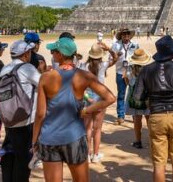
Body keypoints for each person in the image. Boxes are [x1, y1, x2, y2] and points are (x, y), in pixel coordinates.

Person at [32, 37, 116, 182]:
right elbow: (110, 97)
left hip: (50, 137)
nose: (52, 54)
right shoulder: (84, 76)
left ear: (60, 54)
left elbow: (40, 114)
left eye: (54, 51)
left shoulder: (46, 77)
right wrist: (87, 110)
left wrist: (34, 140)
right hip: (74, 136)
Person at [133, 35, 173, 182]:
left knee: (159, 163)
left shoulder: (146, 70)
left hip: (156, 115)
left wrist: (150, 95)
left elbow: (137, 97)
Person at [0, 40, 40, 182]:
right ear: (25, 54)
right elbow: (42, 84)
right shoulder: (27, 68)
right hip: (25, 120)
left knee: (9, 155)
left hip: (9, 119)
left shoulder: (5, 69)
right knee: (23, 159)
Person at [82, 43, 117, 163]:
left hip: (87, 98)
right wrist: (109, 49)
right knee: (97, 129)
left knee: (87, 128)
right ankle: (95, 154)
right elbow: (115, 58)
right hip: (101, 99)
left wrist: (86, 97)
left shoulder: (84, 66)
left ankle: (87, 154)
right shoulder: (103, 65)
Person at [112, 28, 139, 125]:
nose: (126, 37)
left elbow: (139, 58)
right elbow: (111, 59)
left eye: (128, 35)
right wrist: (116, 56)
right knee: (121, 95)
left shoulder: (135, 45)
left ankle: (135, 115)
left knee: (133, 95)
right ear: (121, 36)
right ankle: (120, 116)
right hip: (120, 72)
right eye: (124, 35)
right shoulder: (116, 45)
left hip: (132, 73)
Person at [125, 49, 151, 149]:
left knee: (137, 119)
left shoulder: (129, 69)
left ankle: (138, 141)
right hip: (146, 97)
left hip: (135, 97)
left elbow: (127, 82)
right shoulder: (148, 69)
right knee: (149, 119)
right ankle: (152, 140)